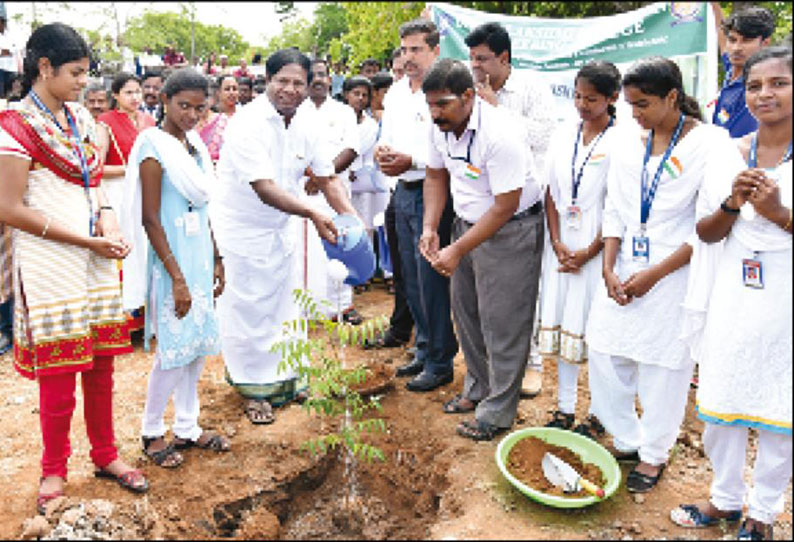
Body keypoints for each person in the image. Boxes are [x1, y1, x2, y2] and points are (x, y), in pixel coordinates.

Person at [0, 22, 147, 514]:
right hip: (50, 256)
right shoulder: (15, 125)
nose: (84, 82)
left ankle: (105, 454)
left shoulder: (80, 117)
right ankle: (54, 468)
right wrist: (85, 238)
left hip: (94, 252)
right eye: (76, 73)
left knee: (102, 362)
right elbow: (9, 207)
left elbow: (93, 184)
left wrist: (106, 221)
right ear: (44, 68)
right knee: (60, 370)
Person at [584, 57, 738, 494]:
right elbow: (615, 207)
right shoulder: (629, 141)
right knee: (605, 353)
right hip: (624, 267)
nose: (636, 115)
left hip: (675, 273)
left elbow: (710, 224)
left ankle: (654, 453)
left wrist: (655, 274)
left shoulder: (711, 144)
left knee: (662, 368)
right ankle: (627, 437)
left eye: (644, 104)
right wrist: (609, 266)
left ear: (673, 97)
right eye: (630, 105)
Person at [671, 46, 792, 541]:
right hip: (732, 293)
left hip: (785, 299)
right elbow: (705, 232)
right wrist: (732, 202)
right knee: (723, 397)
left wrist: (779, 213)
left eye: (778, 83)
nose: (764, 94)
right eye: (755, 86)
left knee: (780, 408)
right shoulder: (730, 151)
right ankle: (724, 498)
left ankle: (762, 512)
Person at [211, 48, 356, 425]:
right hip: (242, 227)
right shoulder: (246, 123)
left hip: (282, 226)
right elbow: (264, 188)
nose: (290, 89)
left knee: (283, 306)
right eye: (282, 81)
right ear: (267, 82)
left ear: (309, 86)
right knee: (247, 309)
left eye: (298, 83)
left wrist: (350, 218)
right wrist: (312, 212)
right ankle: (252, 388)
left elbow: (326, 176)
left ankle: (287, 379)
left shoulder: (308, 121)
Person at [420, 59, 544, 440]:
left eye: (443, 104)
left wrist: (456, 250)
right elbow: (435, 174)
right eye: (430, 105)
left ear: (470, 96)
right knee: (468, 314)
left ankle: (498, 412)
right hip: (467, 225)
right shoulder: (439, 128)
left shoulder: (500, 134)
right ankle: (477, 389)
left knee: (504, 322)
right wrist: (429, 226)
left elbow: (505, 206)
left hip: (511, 230)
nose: (435, 113)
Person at [121, 68, 231, 469]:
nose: (191, 114)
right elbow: (151, 218)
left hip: (199, 254)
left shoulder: (196, 145)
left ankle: (187, 426)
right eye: (183, 105)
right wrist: (178, 279)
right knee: (172, 350)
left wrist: (217, 257)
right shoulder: (153, 146)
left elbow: (205, 209)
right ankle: (152, 431)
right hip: (171, 262)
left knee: (196, 346)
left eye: (200, 108)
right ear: (164, 100)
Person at [464, 21, 557, 398]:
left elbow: (543, 136)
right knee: (487, 298)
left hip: (523, 206)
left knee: (523, 293)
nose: (476, 67)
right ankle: (492, 367)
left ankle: (531, 364)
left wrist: (498, 110)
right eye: (471, 59)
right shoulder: (471, 90)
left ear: (504, 58)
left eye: (483, 59)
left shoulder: (532, 89)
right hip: (484, 206)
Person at [538, 61, 620, 438]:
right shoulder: (563, 135)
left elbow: (620, 205)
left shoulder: (622, 141)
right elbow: (551, 193)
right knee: (564, 325)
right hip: (561, 246)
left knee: (599, 333)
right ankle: (565, 407)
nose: (582, 105)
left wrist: (589, 251)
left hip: (599, 248)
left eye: (591, 98)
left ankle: (602, 413)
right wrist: (556, 241)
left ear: (612, 98)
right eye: (577, 96)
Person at [375, 18, 458, 392]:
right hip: (401, 191)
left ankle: (441, 359)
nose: (409, 57)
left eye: (417, 49)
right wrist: (383, 152)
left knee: (431, 279)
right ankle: (424, 347)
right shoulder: (394, 94)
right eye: (405, 49)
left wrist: (413, 160)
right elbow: (387, 139)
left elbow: (450, 150)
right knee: (408, 276)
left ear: (435, 50)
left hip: (434, 189)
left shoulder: (447, 91)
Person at [296, 58, 363, 324]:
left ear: (330, 78)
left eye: (323, 75)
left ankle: (342, 306)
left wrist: (323, 178)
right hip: (303, 195)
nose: (318, 80)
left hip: (335, 193)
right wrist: (312, 177)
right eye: (313, 75)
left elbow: (351, 149)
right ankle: (305, 309)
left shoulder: (343, 112)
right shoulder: (295, 111)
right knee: (306, 251)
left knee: (338, 245)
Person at [345, 75, 388, 285]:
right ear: (346, 95)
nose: (360, 99)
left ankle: (368, 272)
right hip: (343, 181)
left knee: (368, 227)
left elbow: (360, 150)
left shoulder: (371, 125)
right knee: (348, 228)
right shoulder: (337, 120)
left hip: (368, 181)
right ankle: (353, 272)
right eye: (356, 94)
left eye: (364, 95)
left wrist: (356, 168)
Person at [710, 3, 776, 137]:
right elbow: (720, 29)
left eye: (746, 41)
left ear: (765, 43)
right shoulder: (732, 68)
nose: (736, 48)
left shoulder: (757, 89)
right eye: (732, 40)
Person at [196, 74, 238, 165]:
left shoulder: (225, 122)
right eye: (198, 96)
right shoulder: (187, 124)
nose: (203, 101)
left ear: (214, 98)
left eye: (207, 96)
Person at [0, 5, 21, 98]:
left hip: (12, 70)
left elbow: (17, 48)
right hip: (1, 70)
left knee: (11, 95)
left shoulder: (12, 34)